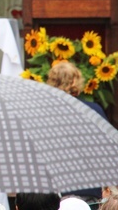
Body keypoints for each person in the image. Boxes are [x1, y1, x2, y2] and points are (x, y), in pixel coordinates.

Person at [47, 63, 106, 203]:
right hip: (88, 186)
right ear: (77, 82)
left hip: (55, 188)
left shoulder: (44, 113)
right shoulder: (93, 110)